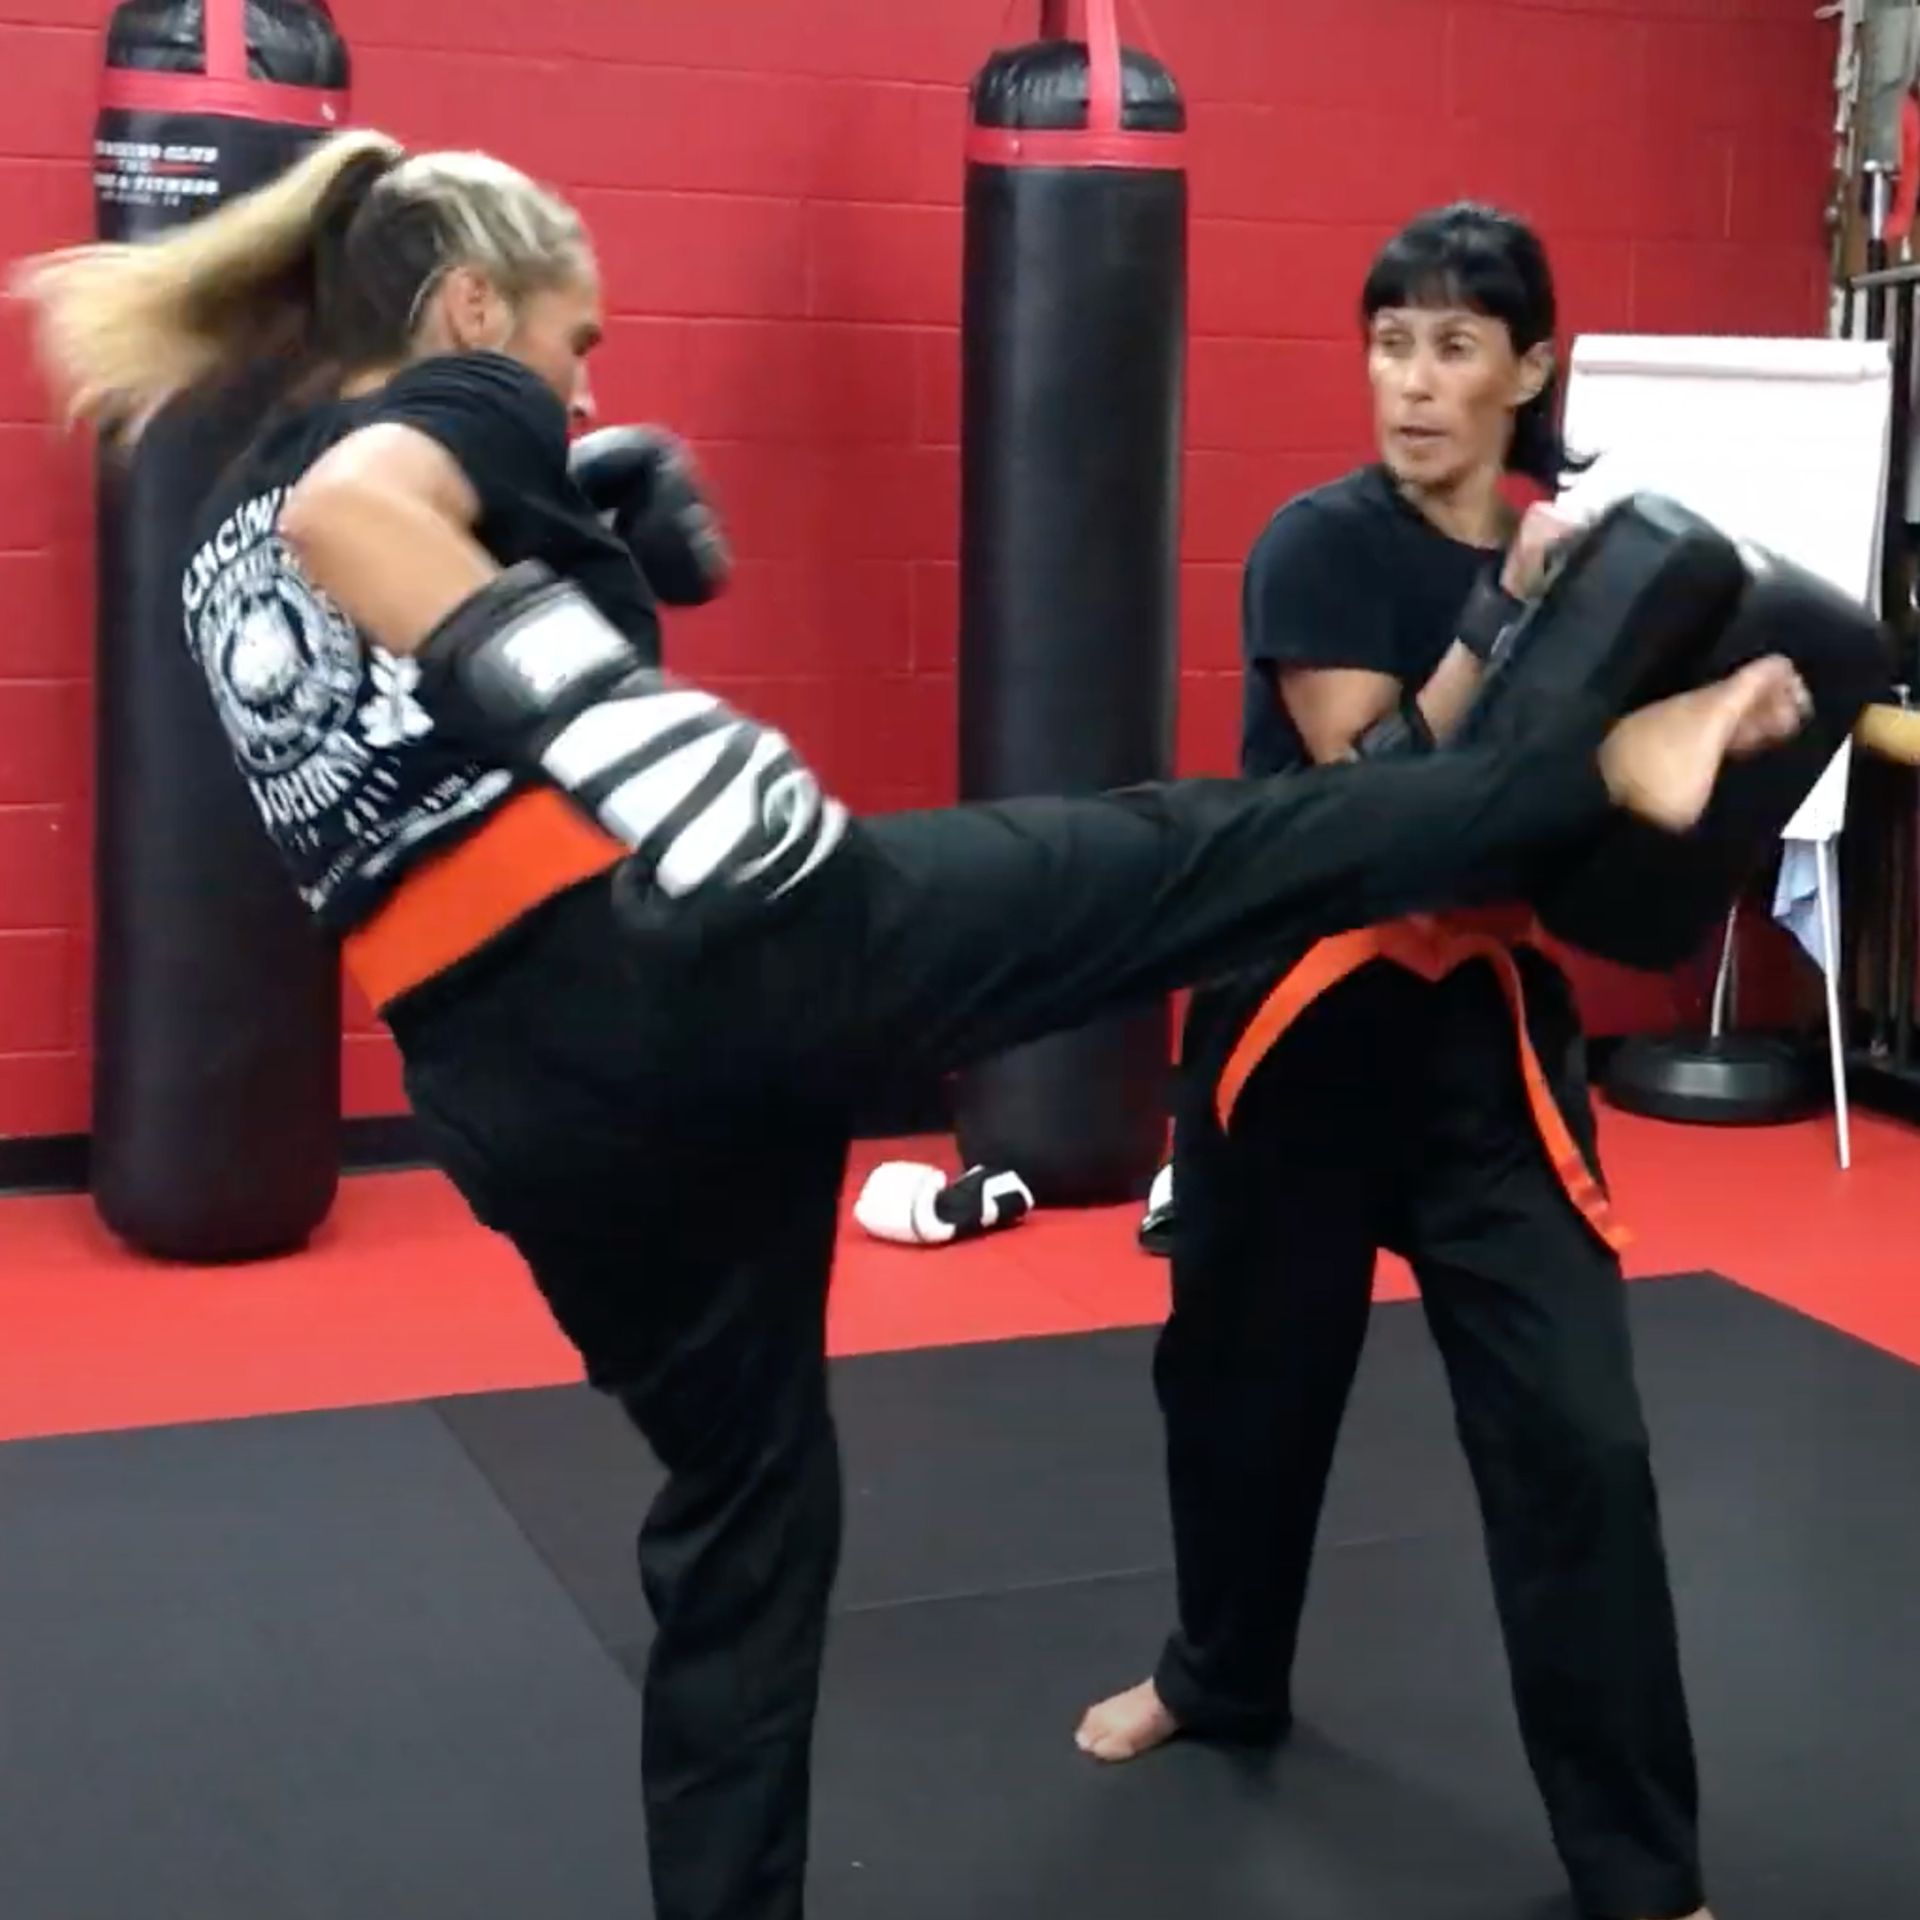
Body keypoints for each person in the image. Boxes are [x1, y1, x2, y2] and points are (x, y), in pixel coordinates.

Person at [16, 154, 1797, 1920]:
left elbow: (383, 701)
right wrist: (630, 728)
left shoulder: (213, 528)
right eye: (579, 343)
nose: (582, 384)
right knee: (1201, 852)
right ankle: (1605, 768)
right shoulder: (441, 399)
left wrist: (585, 527)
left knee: (742, 1530)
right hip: (701, 953)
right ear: (477, 305)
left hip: (520, 1100)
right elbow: (371, 516)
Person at [1077, 204, 1719, 1920]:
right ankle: (1222, 1673)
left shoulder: (1609, 571)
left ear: (1529, 368)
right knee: (1239, 1403)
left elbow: (1634, 854)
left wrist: (1732, 734)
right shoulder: (1321, 549)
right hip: (1296, 1022)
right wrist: (1500, 618)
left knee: (1582, 1445)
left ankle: (1645, 1879)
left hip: (1483, 1055)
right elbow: (1371, 810)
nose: (1414, 383)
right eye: (1389, 342)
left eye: (1452, 346)